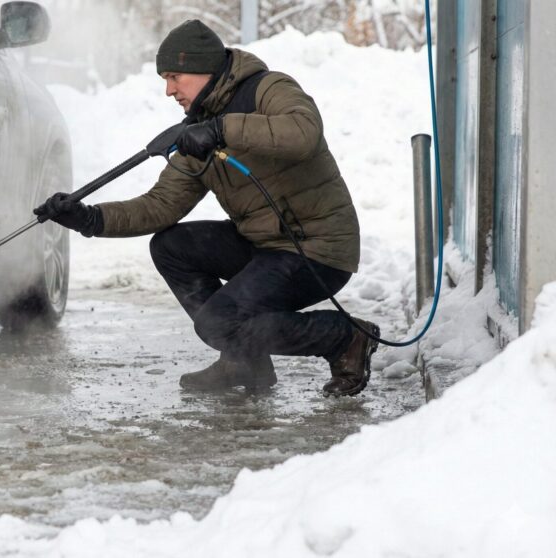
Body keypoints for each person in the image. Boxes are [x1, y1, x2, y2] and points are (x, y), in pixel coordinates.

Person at [35, 19, 380, 397]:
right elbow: (160, 206)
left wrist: (221, 129)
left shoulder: (269, 88)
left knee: (217, 321)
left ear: (204, 69)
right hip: (265, 249)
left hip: (315, 250)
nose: (169, 90)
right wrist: (89, 218)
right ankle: (244, 360)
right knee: (171, 245)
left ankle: (343, 337)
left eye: (174, 76)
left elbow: (303, 132)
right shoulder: (197, 132)